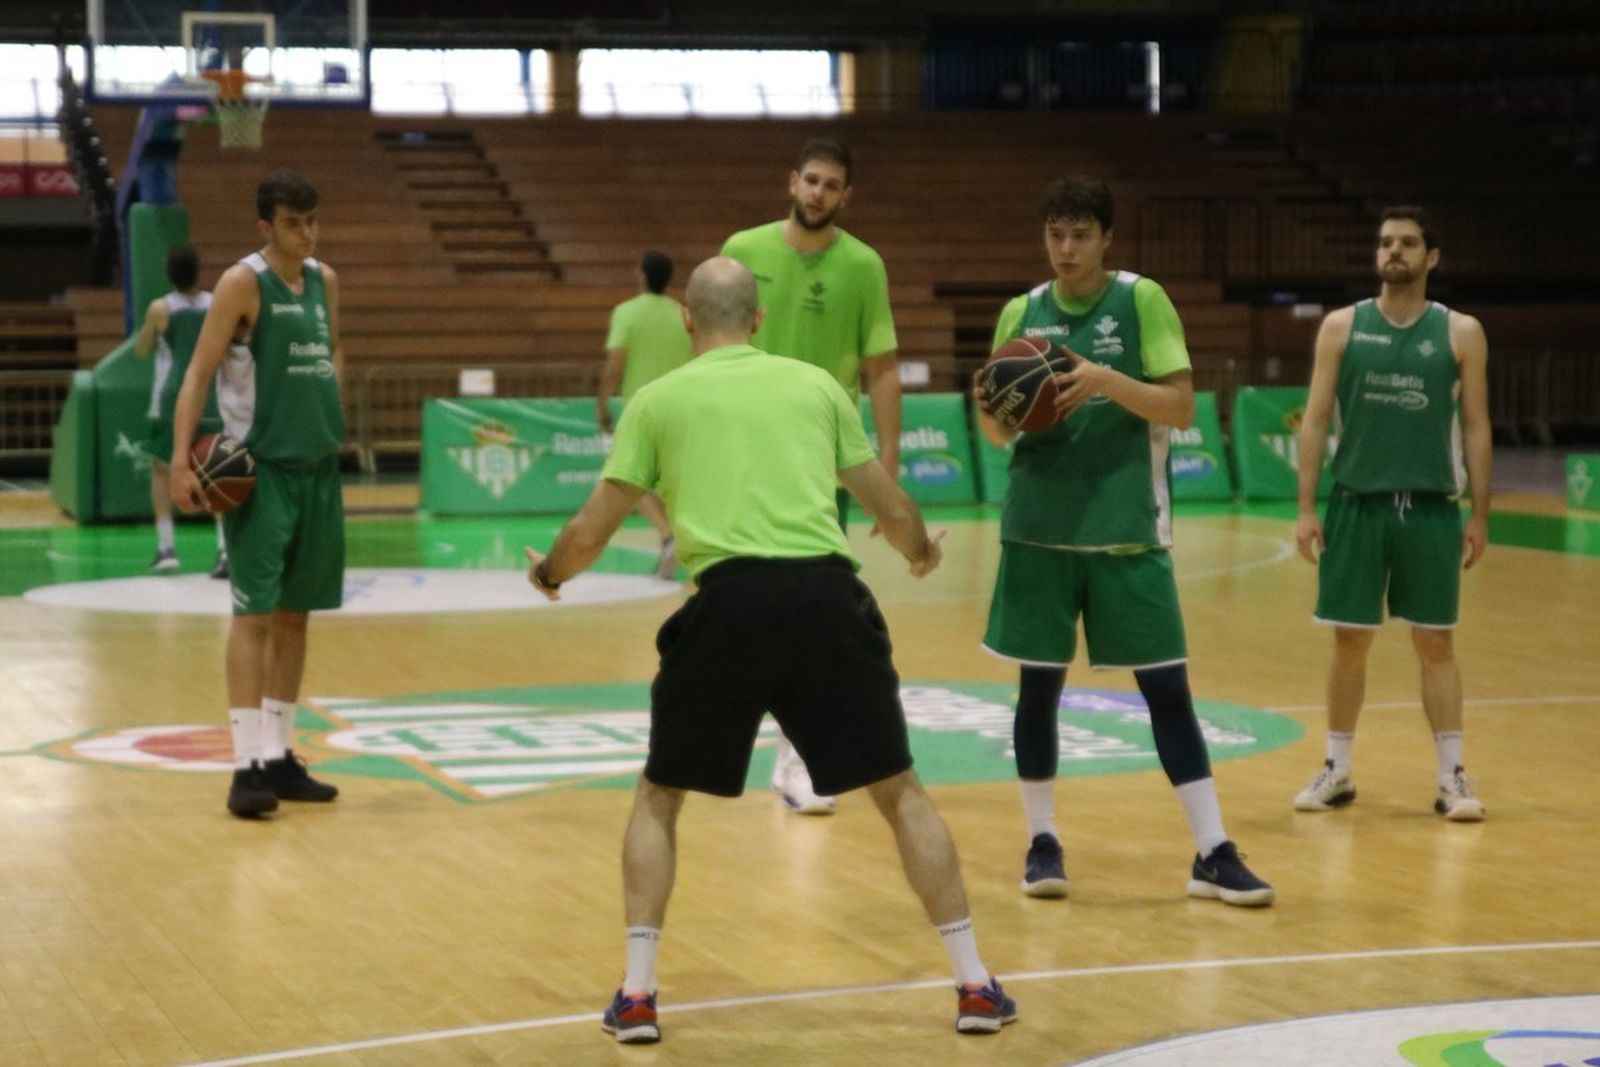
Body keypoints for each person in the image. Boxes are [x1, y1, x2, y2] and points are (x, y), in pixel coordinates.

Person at [524, 257, 1016, 1044]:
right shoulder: (816, 385)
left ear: (689, 320)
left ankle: (639, 994)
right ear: (757, 320)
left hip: (726, 604)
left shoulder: (657, 399)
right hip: (826, 598)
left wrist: (549, 573)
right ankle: (974, 982)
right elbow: (885, 500)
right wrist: (921, 550)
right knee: (900, 790)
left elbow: (591, 528)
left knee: (659, 795)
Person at [974, 175, 1274, 907]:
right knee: (1036, 690)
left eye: (1080, 234)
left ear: (1107, 238)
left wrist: (1106, 379)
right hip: (1040, 530)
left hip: (1127, 529)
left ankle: (1212, 850)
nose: (1066, 248)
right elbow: (991, 427)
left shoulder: (1142, 300)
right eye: (1055, 235)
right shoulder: (1023, 312)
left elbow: (1180, 404)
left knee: (1167, 688)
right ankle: (1043, 841)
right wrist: (1009, 405)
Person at [1292, 206, 1491, 822]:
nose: (1393, 252)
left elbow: (1477, 424)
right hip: (1356, 504)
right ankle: (1337, 768)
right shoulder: (1341, 327)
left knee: (1436, 642)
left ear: (1432, 257)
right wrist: (1305, 507)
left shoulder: (1461, 332)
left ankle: (1452, 776)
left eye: (1407, 243)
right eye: (1384, 243)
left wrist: (1481, 513)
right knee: (1350, 641)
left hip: (1431, 509)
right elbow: (1317, 418)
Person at [720, 137, 900, 816]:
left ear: (846, 196)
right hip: (745, 451)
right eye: (811, 181)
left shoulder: (863, 266)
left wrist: (888, 459)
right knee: (746, 604)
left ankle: (797, 759)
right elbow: (710, 338)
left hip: (823, 460)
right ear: (790, 181)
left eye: (832, 185)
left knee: (814, 607)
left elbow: (881, 365)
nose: (819, 193)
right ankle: (755, 739)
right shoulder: (744, 248)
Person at [170, 169, 344, 819]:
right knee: (254, 617)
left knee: (297, 615)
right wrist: (182, 460)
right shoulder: (243, 284)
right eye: (294, 222)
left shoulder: (326, 282)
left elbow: (335, 354)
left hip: (319, 469)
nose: (307, 232)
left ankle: (278, 753)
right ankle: (244, 765)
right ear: (265, 227)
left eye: (313, 220)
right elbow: (198, 374)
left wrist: (332, 418)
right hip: (261, 472)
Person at [595, 250, 693, 580]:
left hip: (641, 407)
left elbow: (615, 363)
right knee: (670, 480)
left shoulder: (627, 313)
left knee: (627, 477)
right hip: (680, 405)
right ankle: (682, 541)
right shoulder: (683, 314)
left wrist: (602, 401)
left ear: (641, 275)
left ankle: (668, 537)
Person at [132, 243, 228, 578]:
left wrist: (149, 331)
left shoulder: (161, 308)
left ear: (169, 274)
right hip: (210, 395)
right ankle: (225, 550)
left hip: (172, 396)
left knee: (161, 470)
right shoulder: (216, 303)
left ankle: (167, 547)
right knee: (216, 470)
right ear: (197, 271)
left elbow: (141, 350)